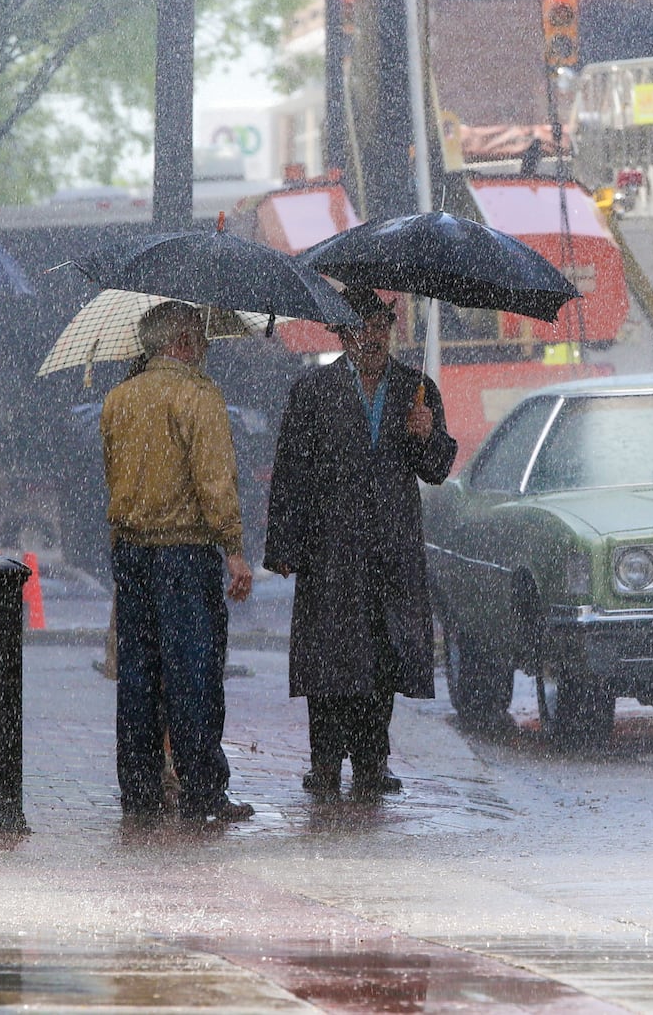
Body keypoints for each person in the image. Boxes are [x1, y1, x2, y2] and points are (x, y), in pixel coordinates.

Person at [264, 287, 457, 799]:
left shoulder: (417, 390)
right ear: (342, 333)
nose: (372, 338)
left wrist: (427, 435)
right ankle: (324, 762)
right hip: (330, 551)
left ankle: (373, 760)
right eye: (360, 328)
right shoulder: (312, 391)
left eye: (380, 327)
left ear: (391, 330)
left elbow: (436, 469)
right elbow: (290, 474)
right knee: (327, 662)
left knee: (382, 658)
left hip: (390, 549)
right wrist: (283, 544)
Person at [100, 302, 255, 825]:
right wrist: (233, 549)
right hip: (185, 553)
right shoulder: (199, 396)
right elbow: (215, 480)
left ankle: (139, 792)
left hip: (131, 551)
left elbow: (111, 472)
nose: (205, 348)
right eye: (201, 338)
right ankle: (203, 791)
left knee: (138, 676)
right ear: (185, 341)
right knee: (194, 674)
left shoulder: (118, 399)